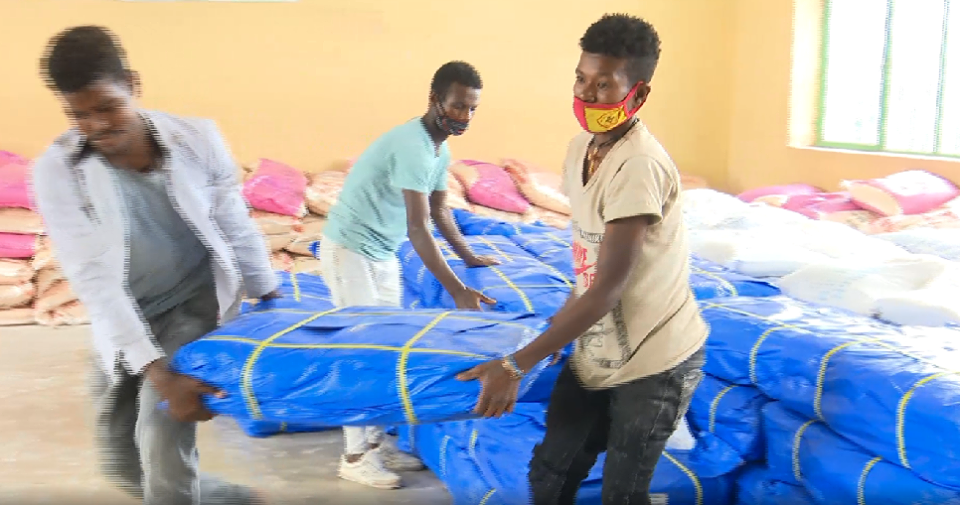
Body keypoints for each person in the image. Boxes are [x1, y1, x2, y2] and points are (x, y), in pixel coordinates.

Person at [457, 14, 708, 505]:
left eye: (604, 84)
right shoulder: (580, 150)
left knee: (622, 493)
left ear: (638, 94)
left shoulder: (639, 164)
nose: (588, 94)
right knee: (551, 474)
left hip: (655, 361)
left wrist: (516, 364)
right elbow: (590, 260)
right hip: (599, 350)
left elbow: (608, 287)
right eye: (581, 79)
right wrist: (556, 328)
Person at [33, 26, 275, 505]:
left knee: (161, 437)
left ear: (132, 84)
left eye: (107, 106)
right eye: (79, 114)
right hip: (125, 316)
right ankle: (235, 500)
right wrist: (157, 372)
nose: (96, 126)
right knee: (122, 464)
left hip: (193, 304)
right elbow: (93, 279)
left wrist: (268, 296)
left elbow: (233, 221)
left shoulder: (197, 139)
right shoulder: (57, 171)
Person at [317, 60, 499, 490]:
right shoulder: (412, 146)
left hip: (381, 252)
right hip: (349, 250)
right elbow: (419, 228)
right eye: (457, 106)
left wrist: (470, 257)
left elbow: (440, 211)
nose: (464, 116)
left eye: (472, 109)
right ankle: (354, 457)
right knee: (362, 352)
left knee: (389, 349)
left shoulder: (439, 150)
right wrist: (458, 289)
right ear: (434, 99)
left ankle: (376, 443)